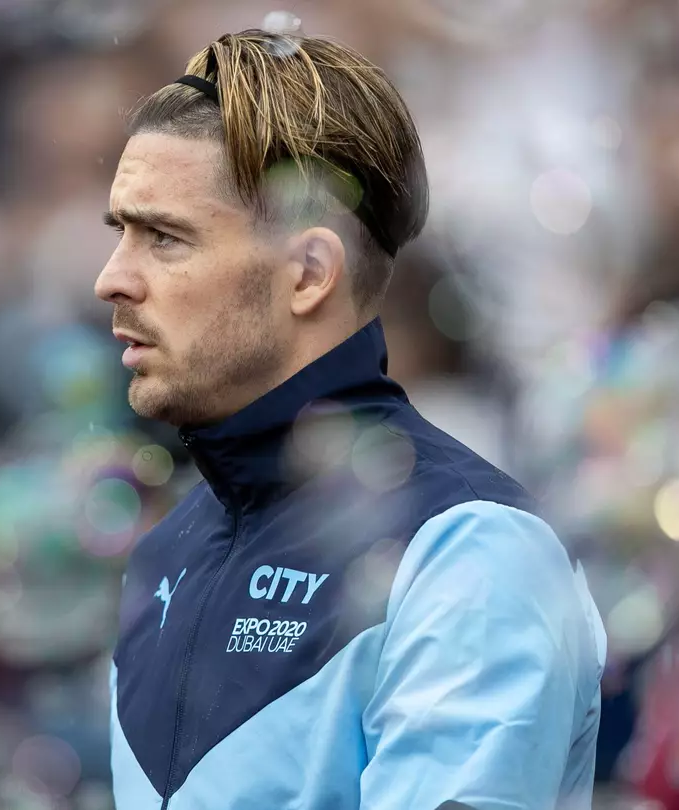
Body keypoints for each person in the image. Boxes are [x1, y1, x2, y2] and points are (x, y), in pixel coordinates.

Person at [95, 28, 606, 810]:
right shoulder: (166, 550)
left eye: (164, 237)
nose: (111, 279)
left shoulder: (468, 548)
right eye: (119, 232)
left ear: (308, 273)